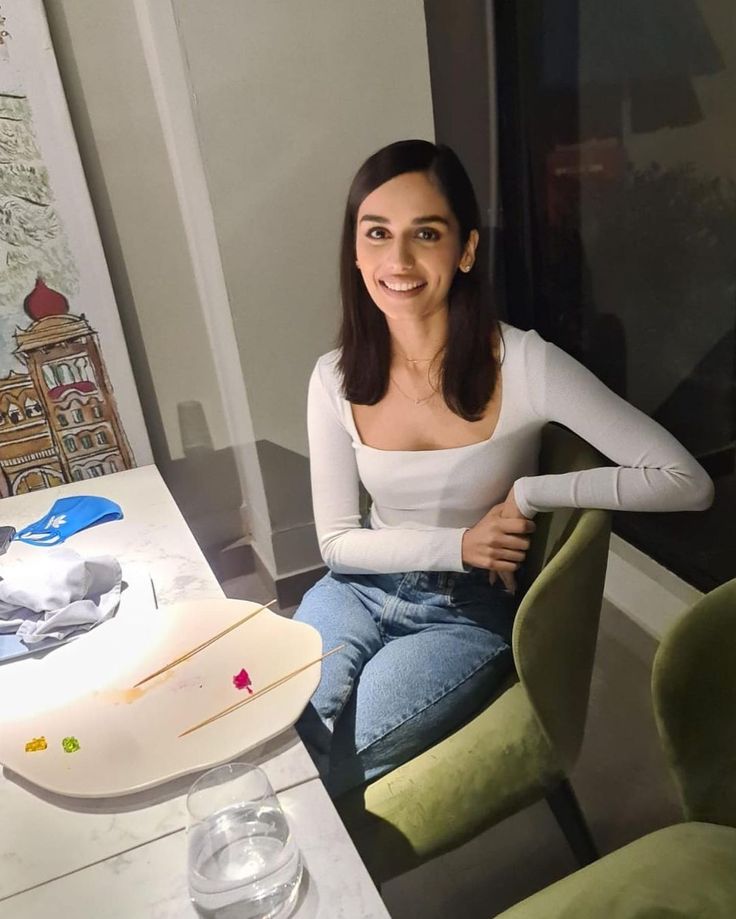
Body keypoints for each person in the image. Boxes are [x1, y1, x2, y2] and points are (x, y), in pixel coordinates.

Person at [293, 139, 714, 799]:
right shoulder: (333, 377)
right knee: (280, 732)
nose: (397, 260)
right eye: (377, 233)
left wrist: (531, 491)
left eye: (424, 233)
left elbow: (686, 480)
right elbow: (336, 541)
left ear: (465, 249)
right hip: (356, 584)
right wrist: (459, 541)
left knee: (323, 772)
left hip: (462, 611)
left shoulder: (524, 364)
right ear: (355, 249)